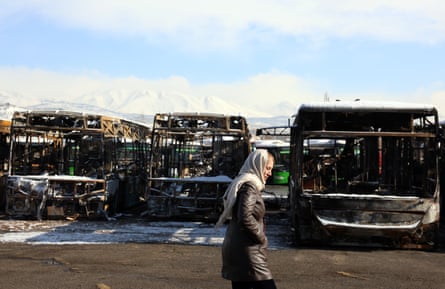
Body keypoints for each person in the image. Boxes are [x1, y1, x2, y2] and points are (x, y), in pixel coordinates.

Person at [216, 149, 277, 289]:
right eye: (267, 168)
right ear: (258, 164)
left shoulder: (244, 182)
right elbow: (245, 217)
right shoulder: (250, 186)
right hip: (248, 254)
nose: (269, 173)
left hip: (239, 249)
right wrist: (261, 237)